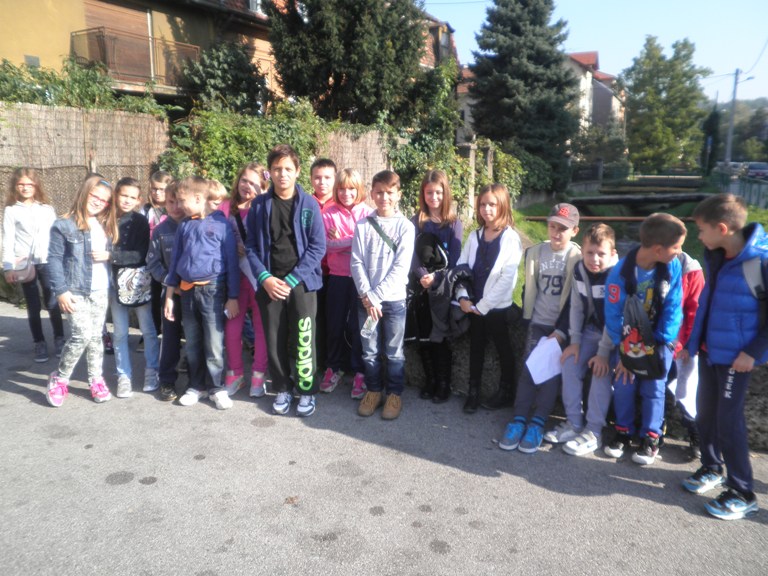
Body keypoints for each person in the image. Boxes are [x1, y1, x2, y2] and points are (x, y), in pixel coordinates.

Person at [683, 194, 767, 520]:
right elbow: (708, 303)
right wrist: (694, 343)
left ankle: (743, 491)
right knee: (705, 413)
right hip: (709, 351)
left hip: (736, 358)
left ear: (721, 228)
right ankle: (711, 466)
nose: (699, 236)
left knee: (729, 422)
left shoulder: (759, 262)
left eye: (702, 230)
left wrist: (753, 352)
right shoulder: (717, 255)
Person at [245, 145, 326, 417]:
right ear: (269, 172)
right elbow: (251, 246)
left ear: (298, 171)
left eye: (288, 169)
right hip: (269, 283)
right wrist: (265, 278)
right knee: (274, 339)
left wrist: (292, 279)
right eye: (277, 169)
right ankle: (282, 387)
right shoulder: (259, 205)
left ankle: (306, 390)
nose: (283, 174)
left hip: (302, 283)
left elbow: (317, 247)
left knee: (304, 338)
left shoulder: (309, 204)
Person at [603, 213, 685, 465]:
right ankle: (623, 429)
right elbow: (613, 315)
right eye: (676, 247)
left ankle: (651, 435)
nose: (679, 252)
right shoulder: (621, 273)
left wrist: (660, 342)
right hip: (629, 340)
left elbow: (673, 307)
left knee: (654, 386)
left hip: (659, 340)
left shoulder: (672, 266)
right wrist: (627, 351)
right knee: (624, 381)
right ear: (658, 249)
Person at [498, 203, 580, 452]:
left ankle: (538, 422)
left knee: (551, 375)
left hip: (561, 328)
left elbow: (577, 299)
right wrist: (527, 315)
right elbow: (529, 288)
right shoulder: (535, 252)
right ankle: (518, 418)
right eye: (553, 227)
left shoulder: (577, 258)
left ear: (574, 231)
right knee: (529, 370)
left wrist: (563, 330)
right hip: (538, 323)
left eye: (562, 229)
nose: (556, 233)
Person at [164, 176, 240, 410]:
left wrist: (233, 297)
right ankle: (196, 386)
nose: (179, 206)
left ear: (198, 198)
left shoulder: (222, 225)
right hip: (187, 293)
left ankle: (216, 387)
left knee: (214, 344)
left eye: (182, 201)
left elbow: (232, 262)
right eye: (176, 201)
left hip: (213, 291)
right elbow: (175, 261)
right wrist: (169, 296)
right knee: (193, 343)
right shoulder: (184, 225)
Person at [45, 175, 119, 407]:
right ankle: (60, 378)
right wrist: (61, 291)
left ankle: (96, 379)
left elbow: (113, 254)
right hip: (74, 290)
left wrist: (110, 255)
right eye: (94, 196)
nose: (98, 202)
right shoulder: (63, 225)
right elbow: (53, 260)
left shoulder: (105, 224)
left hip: (100, 289)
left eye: (104, 200)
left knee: (96, 337)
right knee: (81, 336)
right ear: (84, 193)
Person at [545, 223, 618, 456]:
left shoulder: (617, 276)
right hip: (591, 331)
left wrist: (603, 354)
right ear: (582, 251)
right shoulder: (580, 270)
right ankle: (574, 422)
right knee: (569, 362)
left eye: (601, 254)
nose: (594, 259)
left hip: (615, 337)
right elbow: (576, 307)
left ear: (613, 254)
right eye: (589, 253)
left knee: (600, 372)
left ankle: (594, 431)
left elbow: (615, 318)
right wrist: (575, 342)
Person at [351, 170, 415, 420]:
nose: (384, 197)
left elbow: (401, 268)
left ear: (399, 194)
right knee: (369, 350)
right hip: (365, 302)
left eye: (389, 192)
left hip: (394, 301)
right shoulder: (363, 225)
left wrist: (374, 297)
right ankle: (374, 390)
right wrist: (367, 296)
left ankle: (394, 394)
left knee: (394, 351)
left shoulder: (405, 227)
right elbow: (356, 262)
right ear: (372, 194)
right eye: (379, 192)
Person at [455, 184, 522, 414]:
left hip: (496, 307)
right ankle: (473, 391)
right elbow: (462, 267)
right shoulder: (474, 236)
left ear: (502, 205)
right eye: (483, 204)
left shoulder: (510, 238)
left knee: (503, 347)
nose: (487, 209)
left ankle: (506, 390)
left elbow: (506, 279)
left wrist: (483, 306)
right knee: (476, 347)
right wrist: (463, 297)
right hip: (473, 304)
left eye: (492, 204)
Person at [410, 170, 463, 404]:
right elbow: (411, 255)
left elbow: (456, 259)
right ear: (423, 194)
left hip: (442, 287)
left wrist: (437, 277)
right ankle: (430, 379)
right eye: (429, 192)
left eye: (438, 192)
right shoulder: (416, 222)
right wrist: (423, 275)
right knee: (424, 336)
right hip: (420, 286)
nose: (434, 197)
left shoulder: (454, 224)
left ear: (445, 193)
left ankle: (443, 382)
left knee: (439, 335)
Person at [319, 168, 373, 398]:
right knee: (335, 323)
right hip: (338, 276)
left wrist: (341, 240)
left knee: (358, 326)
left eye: (351, 188)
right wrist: (354, 241)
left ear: (359, 189)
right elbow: (324, 245)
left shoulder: (369, 214)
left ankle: (360, 371)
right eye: (341, 189)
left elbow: (369, 247)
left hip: (362, 279)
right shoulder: (328, 213)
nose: (346, 193)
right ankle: (334, 366)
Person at [3, 167, 65, 362]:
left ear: (36, 185)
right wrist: (8, 267)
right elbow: (8, 239)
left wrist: (61, 260)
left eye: (29, 184)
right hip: (25, 265)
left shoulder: (46, 209)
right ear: (15, 186)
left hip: (47, 261)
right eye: (21, 184)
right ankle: (39, 342)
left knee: (53, 302)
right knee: (33, 305)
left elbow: (56, 235)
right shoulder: (11, 211)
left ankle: (60, 339)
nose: (25, 187)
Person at [109, 177, 160, 398]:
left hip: (138, 282)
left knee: (148, 329)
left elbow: (141, 254)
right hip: (114, 284)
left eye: (132, 197)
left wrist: (112, 256)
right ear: (116, 195)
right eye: (124, 195)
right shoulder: (107, 218)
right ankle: (123, 376)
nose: (127, 200)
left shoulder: (139, 221)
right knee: (120, 333)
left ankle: (152, 370)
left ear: (139, 200)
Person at [224, 163, 269, 398]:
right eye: (244, 180)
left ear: (263, 187)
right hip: (235, 278)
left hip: (259, 277)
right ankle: (235, 375)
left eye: (254, 183)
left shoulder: (264, 208)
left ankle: (258, 377)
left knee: (262, 328)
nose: (247, 186)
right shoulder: (225, 208)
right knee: (232, 327)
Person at [146, 181, 185, 401]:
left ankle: (198, 379)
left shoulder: (195, 225)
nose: (176, 207)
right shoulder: (160, 231)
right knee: (170, 338)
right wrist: (172, 284)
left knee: (196, 336)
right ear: (165, 203)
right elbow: (153, 263)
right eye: (171, 202)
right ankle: (167, 380)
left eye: (180, 201)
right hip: (170, 295)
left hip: (195, 293)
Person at [666, 251, 704, 460]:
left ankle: (696, 433)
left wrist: (688, 345)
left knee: (685, 391)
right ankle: (653, 432)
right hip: (655, 340)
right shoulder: (647, 261)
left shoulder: (691, 270)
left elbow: (695, 311)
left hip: (682, 344)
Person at [310, 158, 337, 380]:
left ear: (335, 179)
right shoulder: (305, 203)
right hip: (312, 271)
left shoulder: (341, 203)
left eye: (327, 177)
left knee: (334, 319)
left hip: (336, 271)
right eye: (318, 177)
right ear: (311, 179)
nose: (322, 182)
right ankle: (316, 361)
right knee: (314, 318)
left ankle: (334, 362)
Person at [141, 170, 173, 337]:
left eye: (162, 189)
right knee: (153, 297)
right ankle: (154, 332)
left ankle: (172, 332)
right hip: (152, 260)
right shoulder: (147, 210)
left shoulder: (173, 209)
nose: (157, 193)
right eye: (154, 189)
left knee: (169, 298)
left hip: (170, 260)